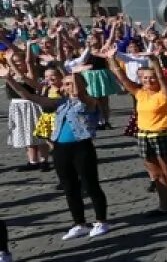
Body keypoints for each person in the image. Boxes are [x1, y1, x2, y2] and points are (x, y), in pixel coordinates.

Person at [2, 68, 111, 239]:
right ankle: (79, 223)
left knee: (91, 186)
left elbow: (79, 93)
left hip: (81, 147)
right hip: (60, 149)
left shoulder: (89, 101)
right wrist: (8, 78)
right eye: (65, 84)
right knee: (70, 188)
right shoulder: (59, 103)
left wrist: (74, 74)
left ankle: (101, 221)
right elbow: (28, 96)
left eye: (70, 83)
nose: (67, 86)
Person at [107, 47, 167, 216]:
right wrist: (111, 58)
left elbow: (163, 78)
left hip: (162, 136)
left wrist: (154, 60)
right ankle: (163, 207)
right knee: (156, 176)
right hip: (143, 136)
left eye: (151, 77)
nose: (148, 81)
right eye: (145, 78)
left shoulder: (164, 94)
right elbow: (122, 78)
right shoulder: (139, 93)